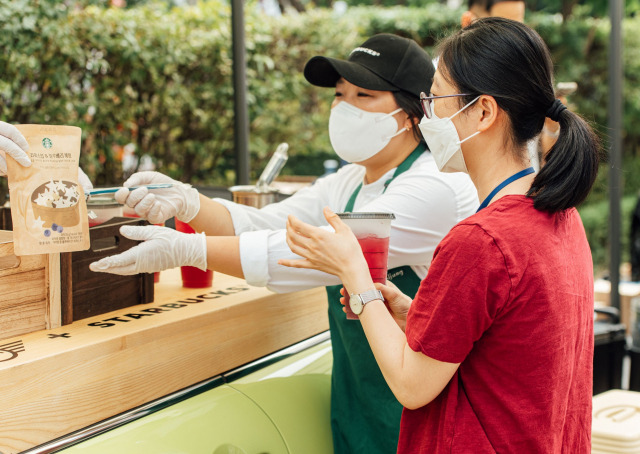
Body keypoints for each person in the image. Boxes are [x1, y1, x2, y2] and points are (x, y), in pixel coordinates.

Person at [89, 34, 479, 453]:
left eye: (363, 94)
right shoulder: (349, 182)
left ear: (411, 114)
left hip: (424, 422)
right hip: (359, 407)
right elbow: (267, 222)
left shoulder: (435, 187)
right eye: (339, 94)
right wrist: (188, 200)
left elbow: (311, 254)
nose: (344, 107)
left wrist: (191, 250)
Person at [279, 18, 599, 452]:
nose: (427, 113)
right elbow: (507, 348)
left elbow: (412, 385)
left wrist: (355, 274)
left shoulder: (482, 240)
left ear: (483, 112)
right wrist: (416, 316)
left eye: (437, 97)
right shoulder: (560, 216)